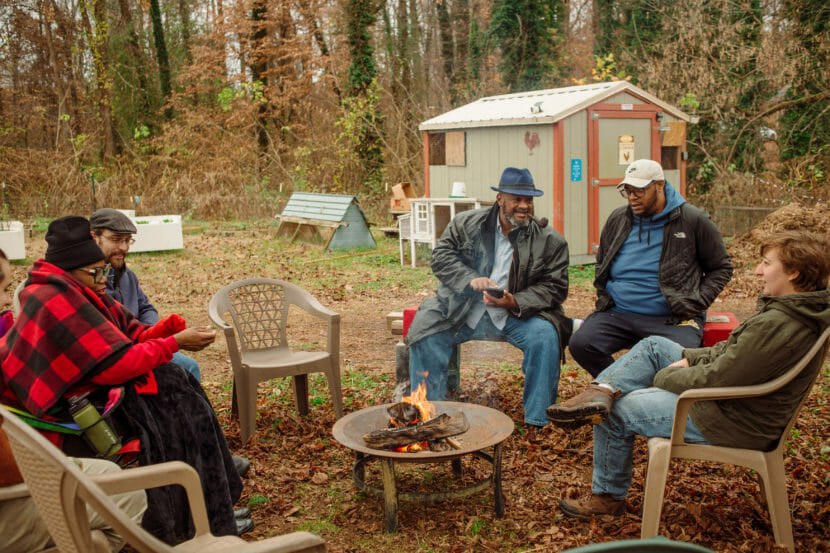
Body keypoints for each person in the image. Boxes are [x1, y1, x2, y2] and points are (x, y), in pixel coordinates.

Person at [0, 216, 252, 543]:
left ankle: (210, 507)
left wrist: (162, 331)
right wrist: (173, 343)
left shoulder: (80, 285)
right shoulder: (54, 297)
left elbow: (124, 333)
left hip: (92, 394)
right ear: (74, 265)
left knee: (179, 385)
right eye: (97, 271)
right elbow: (112, 365)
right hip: (67, 412)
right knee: (169, 412)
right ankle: (188, 524)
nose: (105, 276)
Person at [547, 230, 829, 518]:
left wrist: (665, 378)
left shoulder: (779, 323)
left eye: (767, 263)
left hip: (730, 417)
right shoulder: (799, 309)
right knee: (655, 346)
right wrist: (689, 357)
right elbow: (731, 354)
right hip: (736, 402)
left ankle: (607, 498)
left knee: (616, 412)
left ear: (794, 272)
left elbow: (720, 377)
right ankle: (599, 392)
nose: (758, 271)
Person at [0, 246, 147, 553]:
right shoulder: (50, 301)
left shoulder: (117, 282)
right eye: (0, 288)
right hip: (11, 497)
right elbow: (12, 472)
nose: (6, 300)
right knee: (128, 492)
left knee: (96, 533)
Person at [406, 167, 571, 429]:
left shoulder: (550, 241)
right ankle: (427, 414)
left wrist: (514, 301)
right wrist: (469, 278)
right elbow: (441, 258)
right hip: (462, 310)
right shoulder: (465, 223)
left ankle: (537, 421)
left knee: (545, 336)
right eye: (516, 199)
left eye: (528, 200)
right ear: (500, 199)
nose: (524, 206)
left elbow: (555, 287)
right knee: (426, 330)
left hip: (516, 315)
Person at [566, 159, 733, 378]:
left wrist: (698, 301)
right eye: (627, 192)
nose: (632, 198)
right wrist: (605, 297)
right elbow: (603, 262)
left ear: (660, 185)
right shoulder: (618, 219)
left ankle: (621, 389)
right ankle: (624, 392)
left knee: (678, 361)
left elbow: (721, 268)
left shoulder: (692, 220)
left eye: (639, 191)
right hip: (619, 313)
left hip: (673, 318)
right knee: (582, 344)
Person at [89, 208, 202, 381]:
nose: (124, 248)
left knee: (188, 367)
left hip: (142, 345)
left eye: (128, 241)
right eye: (116, 240)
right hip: (118, 358)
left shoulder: (127, 276)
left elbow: (145, 307)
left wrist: (151, 332)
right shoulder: (87, 281)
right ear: (94, 237)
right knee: (186, 368)